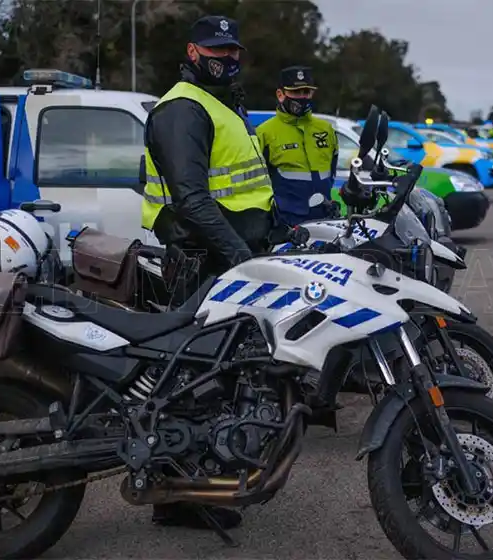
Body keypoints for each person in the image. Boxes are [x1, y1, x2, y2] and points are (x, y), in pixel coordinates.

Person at [141, 15, 275, 531]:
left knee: (217, 375)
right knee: (186, 381)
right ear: (193, 52)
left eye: (233, 51)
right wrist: (240, 256)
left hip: (226, 254)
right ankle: (175, 497)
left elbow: (244, 184)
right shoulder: (182, 108)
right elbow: (192, 199)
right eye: (217, 51)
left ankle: (197, 482)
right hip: (203, 259)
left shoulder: (217, 104)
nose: (228, 59)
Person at [256, 66, 338, 226]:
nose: (302, 97)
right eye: (295, 92)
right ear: (280, 95)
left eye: (306, 92)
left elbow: (332, 170)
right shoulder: (264, 132)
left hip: (324, 218)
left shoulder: (326, 130)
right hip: (285, 222)